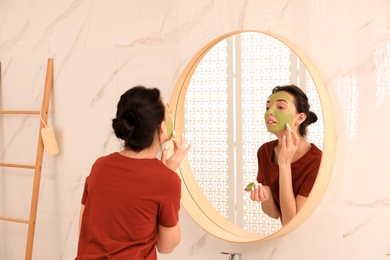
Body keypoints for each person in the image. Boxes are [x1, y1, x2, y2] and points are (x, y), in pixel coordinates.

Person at [76, 85, 190, 259]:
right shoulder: (167, 181)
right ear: (161, 126)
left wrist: (165, 174)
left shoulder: (100, 166)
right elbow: (166, 246)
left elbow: (84, 229)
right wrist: (166, 176)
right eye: (168, 110)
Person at [249, 85, 322, 226]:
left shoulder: (317, 161)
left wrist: (284, 165)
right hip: (288, 239)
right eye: (267, 108)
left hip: (315, 237)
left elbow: (292, 222)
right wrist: (266, 194)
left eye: (280, 107)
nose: (269, 112)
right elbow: (274, 213)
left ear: (300, 118)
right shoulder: (264, 151)